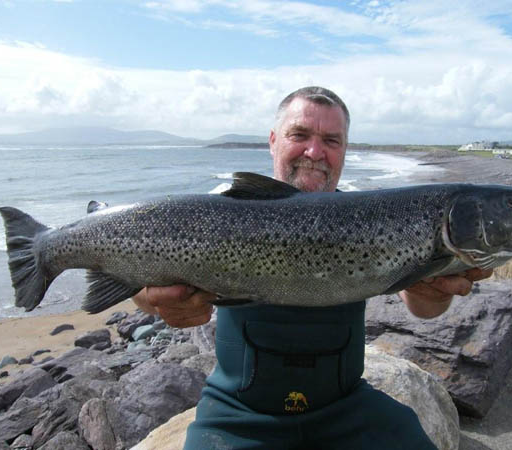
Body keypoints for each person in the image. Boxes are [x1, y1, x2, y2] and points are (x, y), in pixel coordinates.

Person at [133, 86, 492, 449]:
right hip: (236, 415)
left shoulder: (378, 219)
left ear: (345, 150)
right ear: (273, 141)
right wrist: (153, 299)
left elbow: (424, 307)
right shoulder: (218, 214)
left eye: (331, 140)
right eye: (299, 135)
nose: (314, 152)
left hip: (347, 409)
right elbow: (140, 284)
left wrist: (434, 289)